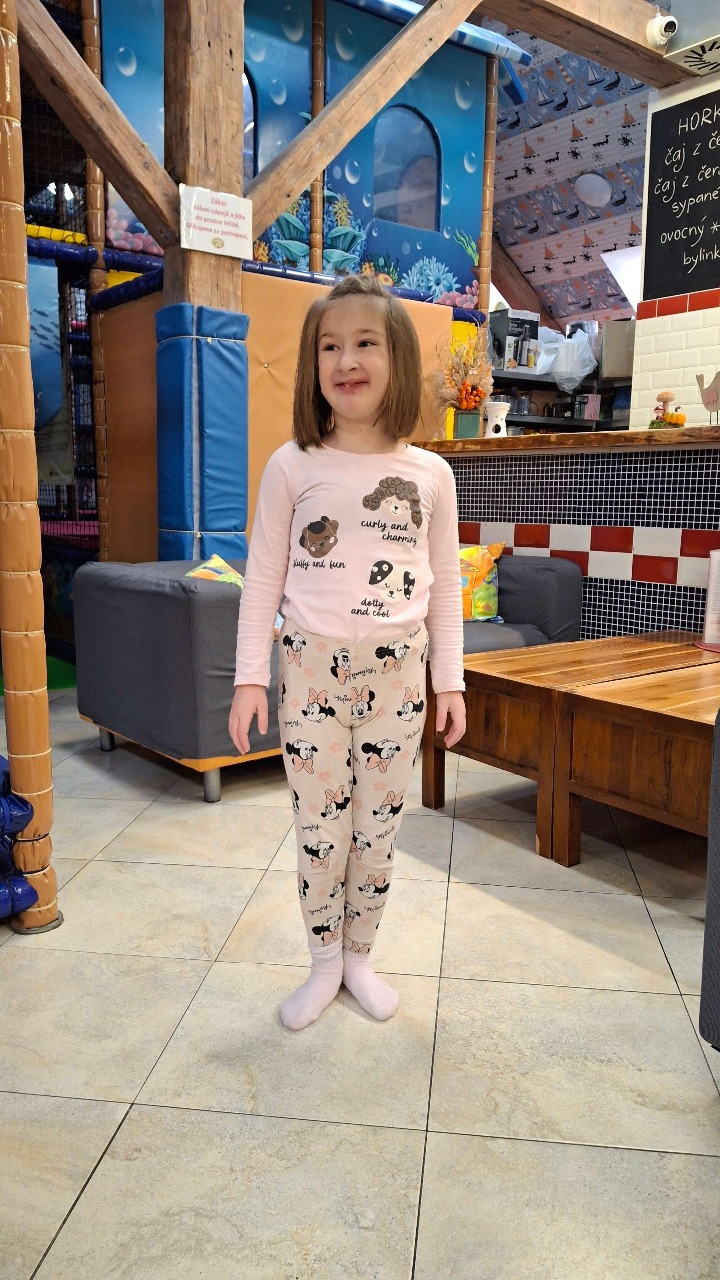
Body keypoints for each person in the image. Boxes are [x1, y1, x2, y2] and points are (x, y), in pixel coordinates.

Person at [229, 274, 465, 1031]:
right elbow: (262, 578)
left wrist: (450, 681)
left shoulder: (431, 474)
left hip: (400, 677)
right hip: (309, 672)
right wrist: (248, 678)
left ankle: (360, 958)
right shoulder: (292, 465)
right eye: (329, 346)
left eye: (366, 343)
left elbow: (446, 585)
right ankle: (323, 961)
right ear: (312, 364)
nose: (346, 360)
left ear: (398, 359)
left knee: (377, 828)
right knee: (320, 830)